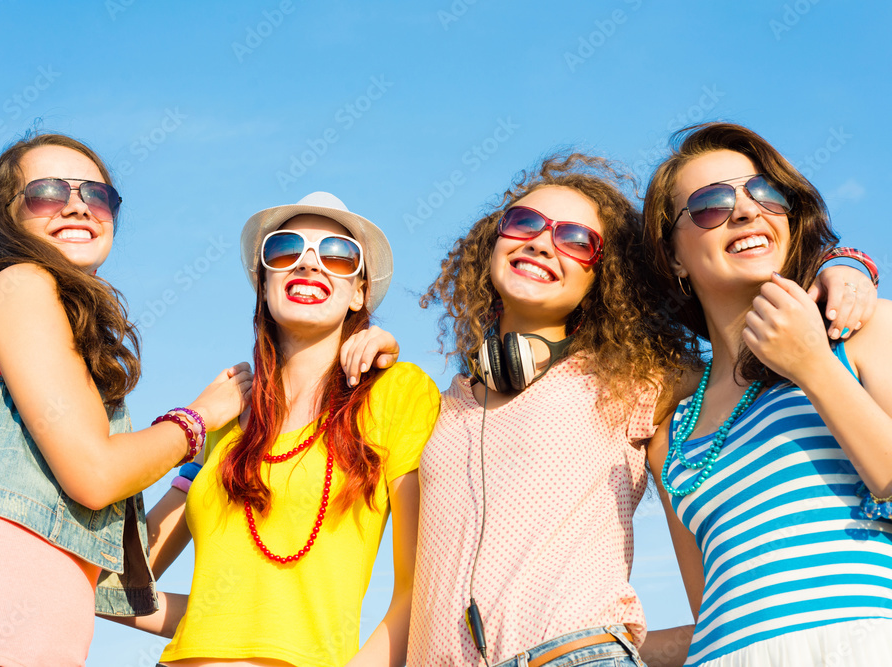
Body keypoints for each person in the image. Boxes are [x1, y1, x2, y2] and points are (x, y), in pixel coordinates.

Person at [353, 152, 874, 667]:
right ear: (494, 239)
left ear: (603, 277)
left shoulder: (633, 381)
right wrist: (361, 346)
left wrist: (843, 267)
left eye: (576, 240)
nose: (541, 242)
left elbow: (738, 357)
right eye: (525, 222)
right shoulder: (433, 408)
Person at [0, 133, 251, 667]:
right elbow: (96, 474)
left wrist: (193, 471)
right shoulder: (21, 285)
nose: (78, 204)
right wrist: (198, 418)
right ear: (6, 218)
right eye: (48, 192)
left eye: (96, 194)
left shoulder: (57, 329)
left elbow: (109, 582)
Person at [122, 192, 440, 667]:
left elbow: (421, 591)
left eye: (337, 255)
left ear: (359, 293)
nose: (310, 265)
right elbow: (126, 585)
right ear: (264, 285)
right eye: (286, 250)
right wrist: (194, 420)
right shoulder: (224, 421)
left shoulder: (398, 393)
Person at [642, 122, 892, 666]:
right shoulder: (671, 435)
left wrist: (813, 367)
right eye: (709, 204)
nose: (747, 211)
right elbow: (707, 607)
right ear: (675, 257)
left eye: (764, 193)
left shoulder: (865, 332)